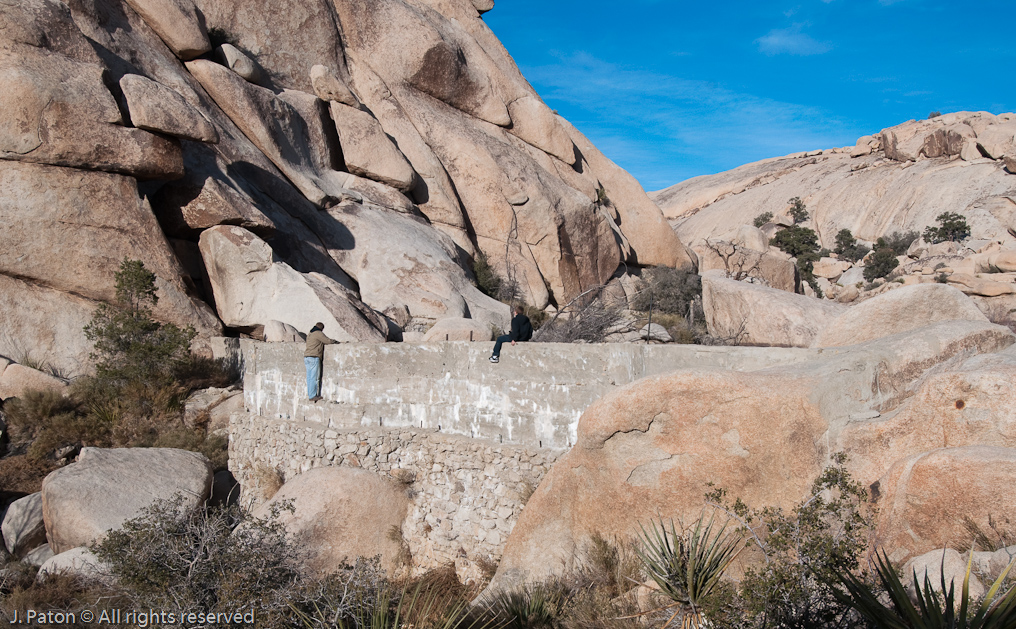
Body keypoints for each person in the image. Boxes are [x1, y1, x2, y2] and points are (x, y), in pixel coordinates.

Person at [305, 322, 336, 401]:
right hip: (314, 357)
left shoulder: (310, 333)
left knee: (309, 378)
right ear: (322, 329)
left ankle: (310, 394)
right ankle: (312, 396)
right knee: (314, 378)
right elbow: (327, 341)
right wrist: (335, 341)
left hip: (307, 357)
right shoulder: (318, 333)